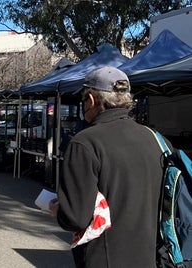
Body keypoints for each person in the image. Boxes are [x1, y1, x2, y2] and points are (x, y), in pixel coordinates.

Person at [49, 66, 166, 267]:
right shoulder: (156, 139)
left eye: (83, 99)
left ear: (92, 100)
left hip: (104, 257)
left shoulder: (85, 143)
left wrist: (58, 210)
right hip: (150, 256)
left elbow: (75, 217)